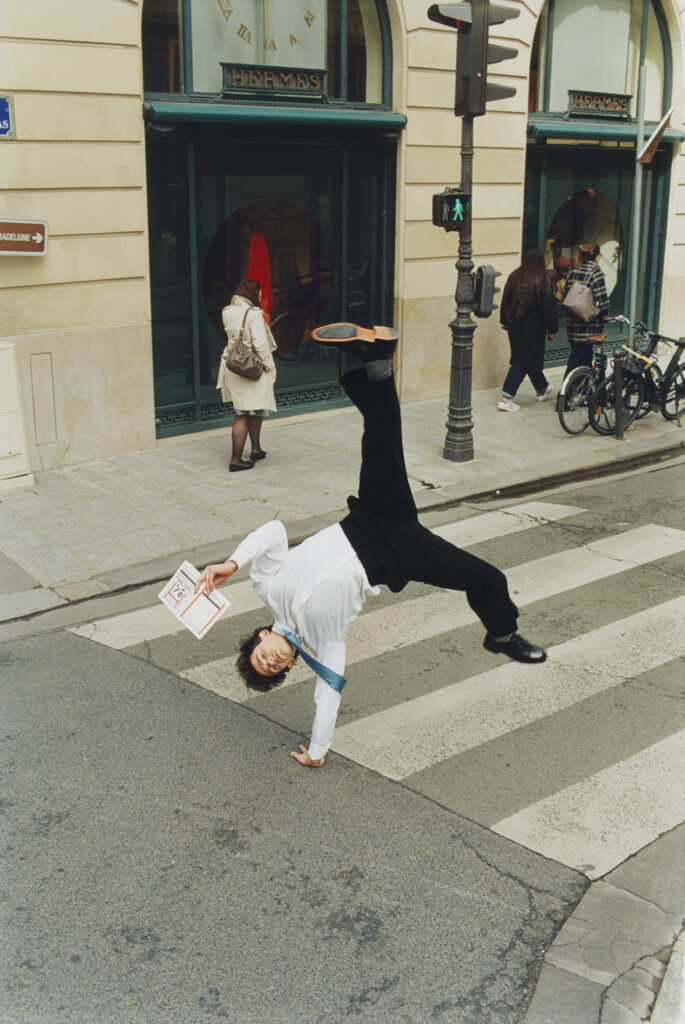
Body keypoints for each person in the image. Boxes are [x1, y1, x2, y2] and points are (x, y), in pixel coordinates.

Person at [197, 322, 547, 768]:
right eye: (271, 667)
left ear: (260, 636)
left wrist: (232, 564)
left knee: (381, 442)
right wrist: (318, 750)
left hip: (369, 518)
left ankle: (377, 363)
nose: (267, 660)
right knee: (487, 578)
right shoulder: (327, 646)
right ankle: (502, 635)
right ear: (288, 669)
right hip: (397, 554)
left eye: (259, 655)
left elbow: (273, 532)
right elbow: (330, 691)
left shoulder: (267, 587)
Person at [218, 278, 277, 472]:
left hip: (233, 365)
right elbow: (260, 344)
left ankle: (256, 449)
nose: (260, 296)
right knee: (243, 413)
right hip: (251, 367)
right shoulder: (254, 314)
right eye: (258, 293)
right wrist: (270, 366)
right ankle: (236, 460)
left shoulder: (227, 311)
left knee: (255, 408)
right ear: (252, 294)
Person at [497, 250, 558, 412]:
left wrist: (504, 321)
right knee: (521, 361)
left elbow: (505, 300)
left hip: (514, 327)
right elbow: (548, 305)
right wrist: (553, 328)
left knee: (528, 358)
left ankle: (542, 388)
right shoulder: (541, 278)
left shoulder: (514, 275)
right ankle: (506, 398)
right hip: (534, 328)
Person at [562, 242, 609, 379]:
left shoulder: (573, 272)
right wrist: (602, 315)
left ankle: (586, 392)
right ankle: (565, 396)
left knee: (581, 360)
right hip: (589, 327)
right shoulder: (596, 273)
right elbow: (603, 302)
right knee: (577, 362)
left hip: (572, 325)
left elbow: (565, 296)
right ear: (597, 257)